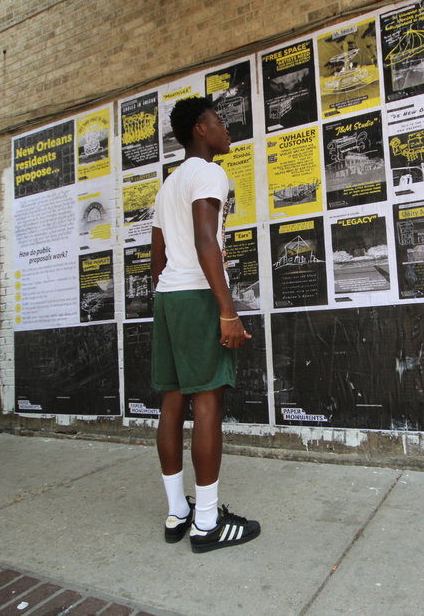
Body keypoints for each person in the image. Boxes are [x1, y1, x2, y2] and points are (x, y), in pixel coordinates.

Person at [151, 96, 260, 553]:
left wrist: (174, 295)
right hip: (197, 298)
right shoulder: (209, 173)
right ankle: (208, 523)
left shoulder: (168, 184)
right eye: (219, 122)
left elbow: (157, 258)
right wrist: (227, 310)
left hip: (169, 298)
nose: (226, 129)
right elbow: (204, 240)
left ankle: (178, 512)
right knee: (208, 405)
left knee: (173, 405)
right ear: (200, 129)